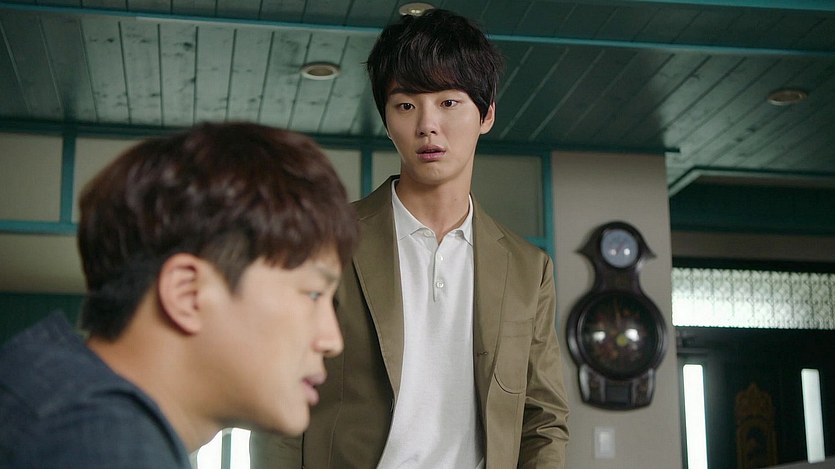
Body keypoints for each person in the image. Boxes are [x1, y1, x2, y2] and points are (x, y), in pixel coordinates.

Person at [250, 8, 569, 468]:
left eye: (449, 102)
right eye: (405, 105)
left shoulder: (528, 269)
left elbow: (543, 419)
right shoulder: (325, 241)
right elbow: (276, 395)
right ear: (386, 119)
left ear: (486, 115)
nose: (427, 125)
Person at [0, 122, 358, 468]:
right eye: (313, 294)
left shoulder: (51, 403)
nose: (332, 341)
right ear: (188, 294)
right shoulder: (103, 445)